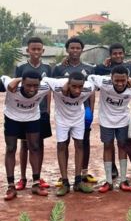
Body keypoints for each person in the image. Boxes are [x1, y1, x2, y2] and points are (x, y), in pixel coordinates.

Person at [87, 65, 131, 193]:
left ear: (128, 78)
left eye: (123, 80)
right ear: (111, 78)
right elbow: (90, 77)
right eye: (116, 80)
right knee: (108, 146)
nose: (120, 83)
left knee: (122, 146)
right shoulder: (104, 82)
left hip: (123, 120)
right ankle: (108, 181)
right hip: (106, 120)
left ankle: (123, 180)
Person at [52, 37, 97, 186]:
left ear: (82, 50)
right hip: (64, 111)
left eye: (78, 48)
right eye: (72, 48)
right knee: (63, 142)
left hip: (83, 110)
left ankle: (83, 173)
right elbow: (53, 89)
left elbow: (92, 91)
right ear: (67, 50)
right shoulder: (59, 68)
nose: (75, 51)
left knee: (83, 141)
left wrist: (91, 110)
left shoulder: (89, 68)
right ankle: (63, 176)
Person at [1, 71, 50, 200]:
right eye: (28, 85)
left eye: (35, 86)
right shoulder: (12, 85)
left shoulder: (45, 86)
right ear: (22, 82)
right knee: (11, 148)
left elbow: (64, 83)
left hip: (32, 118)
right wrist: (16, 79)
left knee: (34, 147)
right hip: (12, 117)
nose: (32, 89)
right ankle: (11, 186)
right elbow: (4, 77)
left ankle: (36, 183)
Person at [43, 73, 95, 196]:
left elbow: (94, 83)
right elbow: (44, 79)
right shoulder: (56, 85)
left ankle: (78, 181)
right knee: (61, 145)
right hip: (61, 119)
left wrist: (91, 110)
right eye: (74, 86)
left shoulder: (88, 87)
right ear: (69, 84)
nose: (77, 90)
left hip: (78, 118)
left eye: (80, 87)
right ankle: (65, 182)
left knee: (79, 145)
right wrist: (65, 85)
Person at [95, 42, 131, 180]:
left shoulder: (130, 66)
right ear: (110, 55)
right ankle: (112, 169)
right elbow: (93, 80)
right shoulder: (102, 68)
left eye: (120, 53)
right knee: (109, 143)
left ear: (124, 54)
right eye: (114, 54)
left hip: (123, 111)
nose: (118, 56)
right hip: (107, 111)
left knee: (127, 141)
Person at [14, 37, 52, 191]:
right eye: (33, 49)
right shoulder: (20, 67)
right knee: (24, 144)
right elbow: (15, 88)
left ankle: (38, 176)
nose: (36, 52)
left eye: (39, 49)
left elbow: (48, 89)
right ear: (27, 50)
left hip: (41, 111)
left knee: (39, 144)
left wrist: (48, 109)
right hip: (24, 111)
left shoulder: (48, 68)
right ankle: (22, 178)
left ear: (43, 51)